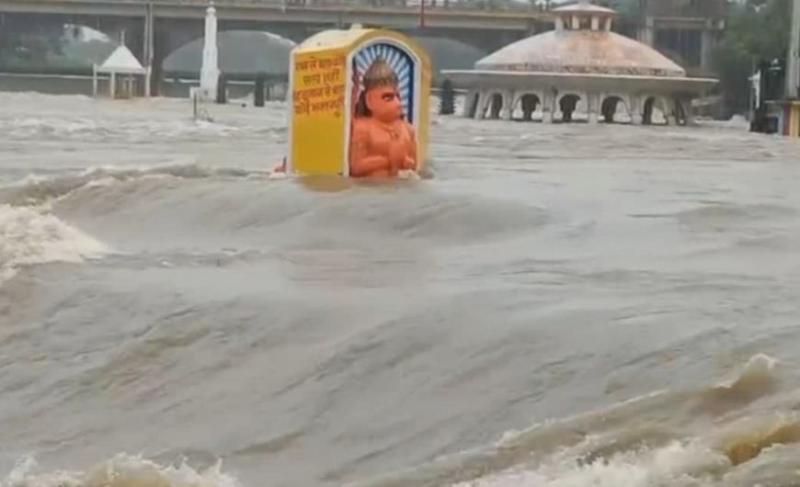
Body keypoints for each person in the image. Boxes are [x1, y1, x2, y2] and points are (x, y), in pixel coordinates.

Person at [349, 59, 418, 178]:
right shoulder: (362, 128)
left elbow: (414, 165)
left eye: (398, 97)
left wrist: (406, 162)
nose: (398, 103)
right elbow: (356, 167)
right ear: (370, 100)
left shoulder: (408, 129)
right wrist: (388, 160)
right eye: (388, 98)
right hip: (371, 186)